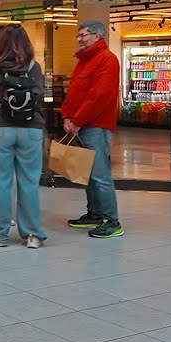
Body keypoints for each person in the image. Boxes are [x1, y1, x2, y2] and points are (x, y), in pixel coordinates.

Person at [0, 24, 46, 249]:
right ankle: (33, 235)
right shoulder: (34, 67)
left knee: (1, 182)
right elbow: (39, 94)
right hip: (31, 129)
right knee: (29, 182)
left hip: (0, 128)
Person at [62, 21, 124, 239]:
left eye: (83, 35)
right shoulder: (84, 61)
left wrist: (77, 120)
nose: (79, 39)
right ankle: (95, 214)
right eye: (78, 35)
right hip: (81, 125)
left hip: (95, 127)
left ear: (97, 36)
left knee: (100, 175)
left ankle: (111, 220)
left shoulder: (107, 60)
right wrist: (67, 116)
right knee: (88, 175)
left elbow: (99, 97)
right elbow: (75, 93)